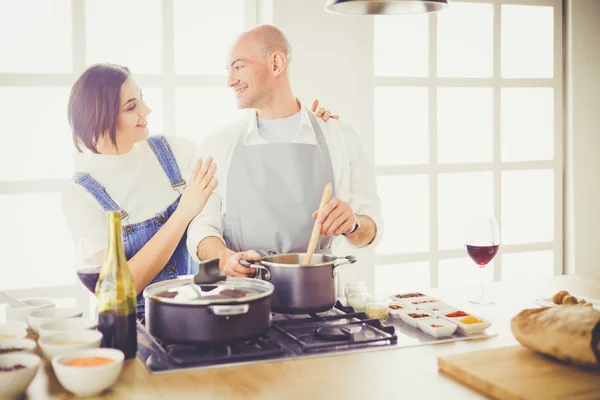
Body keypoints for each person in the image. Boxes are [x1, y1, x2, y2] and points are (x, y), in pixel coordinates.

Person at [62, 63, 336, 313]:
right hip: (133, 330)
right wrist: (183, 213)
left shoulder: (175, 152)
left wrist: (297, 122)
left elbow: (237, 157)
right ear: (102, 118)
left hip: (202, 315)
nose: (146, 110)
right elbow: (120, 287)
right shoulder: (81, 195)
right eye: (131, 106)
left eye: (142, 98)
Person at [187, 25, 383, 278]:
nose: (230, 80)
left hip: (319, 297)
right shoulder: (218, 143)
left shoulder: (341, 137)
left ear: (276, 64)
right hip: (244, 297)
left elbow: (371, 233)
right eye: (229, 70)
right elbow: (200, 229)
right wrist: (225, 258)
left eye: (239, 67)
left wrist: (352, 224)